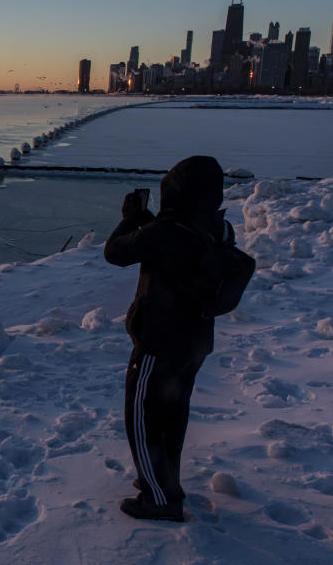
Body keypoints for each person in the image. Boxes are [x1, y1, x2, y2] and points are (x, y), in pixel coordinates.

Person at [103, 155, 232, 522]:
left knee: (143, 418)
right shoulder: (214, 226)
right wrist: (148, 224)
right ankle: (166, 483)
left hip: (159, 342)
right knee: (172, 414)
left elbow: (115, 252)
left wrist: (129, 217)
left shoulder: (168, 231)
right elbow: (166, 246)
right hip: (193, 341)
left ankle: (158, 498)